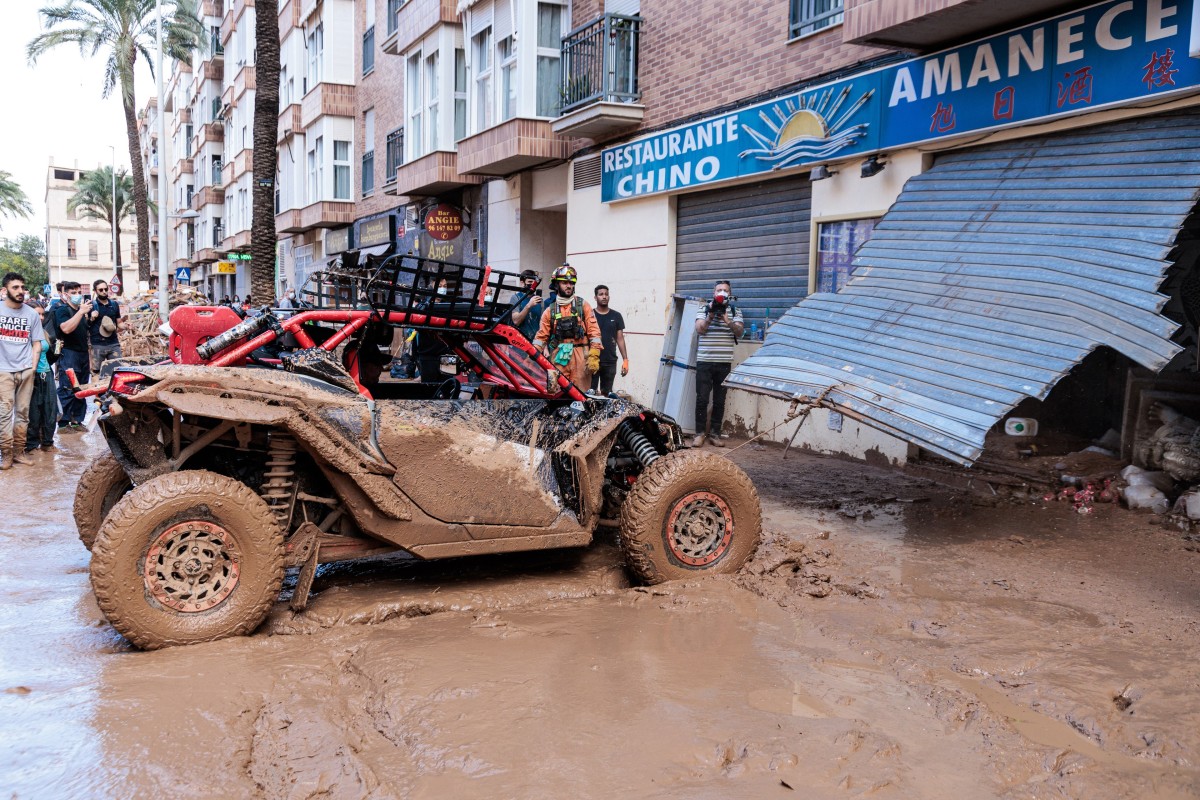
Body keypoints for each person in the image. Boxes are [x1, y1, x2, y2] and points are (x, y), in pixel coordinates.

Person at [532, 264, 602, 392]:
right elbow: (541, 337)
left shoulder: (583, 306)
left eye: (571, 283)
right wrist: (531, 357)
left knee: (580, 395)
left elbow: (594, 332)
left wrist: (594, 355)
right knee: (556, 394)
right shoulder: (550, 311)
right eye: (564, 283)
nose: (569, 286)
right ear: (556, 285)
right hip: (558, 358)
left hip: (581, 359)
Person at [692, 279, 744, 447]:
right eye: (719, 290)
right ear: (713, 293)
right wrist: (710, 316)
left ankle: (715, 434)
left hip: (724, 362)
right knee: (702, 399)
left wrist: (728, 321)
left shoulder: (735, 310)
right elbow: (699, 329)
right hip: (705, 361)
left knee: (719, 401)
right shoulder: (704, 308)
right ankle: (699, 434)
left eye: (725, 290)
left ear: (730, 294)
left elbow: (740, 332)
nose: (722, 293)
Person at [0, 273, 44, 468]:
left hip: (26, 369)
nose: (21, 291)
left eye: (22, 288)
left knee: (23, 413)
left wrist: (32, 368)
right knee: (4, 412)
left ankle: (19, 452)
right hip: (3, 370)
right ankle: (6, 454)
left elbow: (37, 343)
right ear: (5, 290)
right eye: (15, 287)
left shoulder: (31, 314)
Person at [52, 281, 93, 432]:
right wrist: (81, 312)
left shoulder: (82, 312)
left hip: (82, 354)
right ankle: (63, 423)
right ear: (66, 294)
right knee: (67, 388)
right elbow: (66, 329)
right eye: (73, 293)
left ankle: (77, 421)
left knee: (81, 388)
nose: (77, 295)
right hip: (69, 353)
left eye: (79, 292)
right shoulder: (62, 310)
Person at [25, 301, 57, 452]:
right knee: (33, 411)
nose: (42, 317)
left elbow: (49, 358)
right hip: (31, 374)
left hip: (47, 374)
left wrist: (57, 351)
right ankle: (31, 445)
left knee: (50, 410)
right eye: (38, 314)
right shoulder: (24, 333)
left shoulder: (43, 332)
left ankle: (47, 443)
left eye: (43, 314)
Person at [592, 285, 628, 395]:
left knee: (607, 394)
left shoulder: (616, 316)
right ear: (595, 297)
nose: (604, 297)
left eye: (606, 294)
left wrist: (625, 360)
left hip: (610, 361)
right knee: (589, 394)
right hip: (592, 361)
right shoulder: (590, 315)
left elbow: (620, 339)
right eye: (601, 294)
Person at [88, 279, 124, 373]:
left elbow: (119, 323)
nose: (104, 292)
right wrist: (91, 318)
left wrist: (127, 326)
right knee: (96, 372)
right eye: (101, 290)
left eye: (106, 289)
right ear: (95, 291)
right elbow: (86, 324)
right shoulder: (91, 306)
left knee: (118, 371)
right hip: (97, 344)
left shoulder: (114, 304)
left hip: (113, 343)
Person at [510, 270, 544, 342]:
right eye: (530, 282)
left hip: (536, 342)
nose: (533, 285)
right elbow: (516, 321)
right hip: (520, 342)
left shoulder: (539, 300)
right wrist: (528, 306)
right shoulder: (516, 298)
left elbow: (543, 324)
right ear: (522, 283)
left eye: (534, 283)